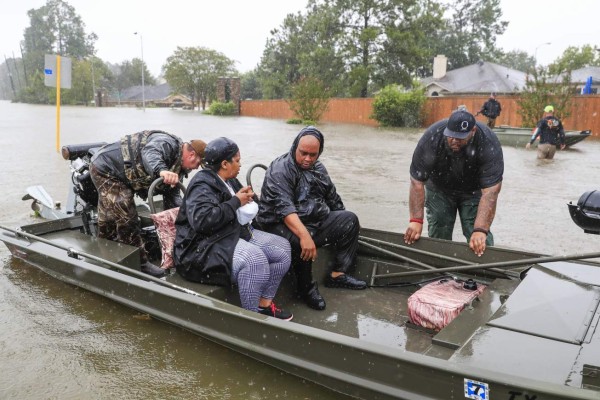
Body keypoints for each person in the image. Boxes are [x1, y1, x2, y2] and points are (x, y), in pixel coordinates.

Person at [173, 137, 293, 321]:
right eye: (237, 160)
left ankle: (264, 306)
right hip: (199, 249)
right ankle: (251, 320)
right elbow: (202, 221)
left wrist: (247, 199)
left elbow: (237, 206)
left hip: (229, 233)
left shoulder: (229, 180)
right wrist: (236, 201)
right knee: (255, 260)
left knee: (282, 250)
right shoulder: (201, 184)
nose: (240, 164)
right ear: (224, 163)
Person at [256, 126, 367, 311]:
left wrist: (342, 221)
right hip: (277, 223)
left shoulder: (319, 168)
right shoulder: (281, 169)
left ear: (319, 153)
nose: (307, 159)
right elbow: (285, 210)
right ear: (295, 147)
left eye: (313, 155)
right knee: (301, 241)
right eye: (303, 153)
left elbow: (333, 198)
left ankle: (337, 275)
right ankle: (306, 289)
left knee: (350, 220)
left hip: (313, 220)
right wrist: (305, 236)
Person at [90, 130, 206, 278]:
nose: (196, 168)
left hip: (122, 173)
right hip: (106, 167)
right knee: (126, 214)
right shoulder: (167, 143)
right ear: (191, 155)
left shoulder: (179, 168)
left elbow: (173, 199)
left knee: (108, 217)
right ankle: (139, 263)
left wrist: (184, 220)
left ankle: (106, 250)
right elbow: (150, 153)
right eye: (198, 163)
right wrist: (161, 171)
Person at [404, 110, 504, 257]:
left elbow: (491, 191)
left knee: (476, 234)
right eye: (451, 136)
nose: (454, 141)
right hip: (439, 188)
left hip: (473, 191)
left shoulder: (488, 142)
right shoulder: (432, 137)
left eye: (460, 137)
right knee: (440, 227)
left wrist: (480, 229)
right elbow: (417, 181)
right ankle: (439, 268)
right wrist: (416, 220)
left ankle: (487, 269)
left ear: (473, 131)